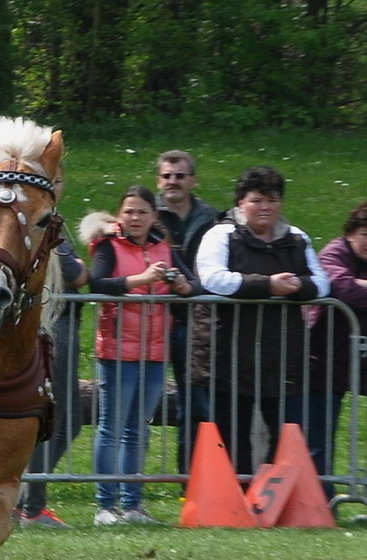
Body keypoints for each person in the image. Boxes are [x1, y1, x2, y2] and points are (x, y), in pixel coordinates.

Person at [195, 166, 329, 477]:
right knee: (232, 439)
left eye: (272, 200)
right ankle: (237, 498)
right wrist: (268, 285)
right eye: (256, 200)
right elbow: (212, 278)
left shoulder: (297, 238)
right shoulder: (220, 234)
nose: (265, 207)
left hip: (281, 359)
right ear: (240, 203)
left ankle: (272, 497)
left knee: (289, 438)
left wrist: (297, 287)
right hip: (227, 358)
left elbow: (322, 283)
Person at [84, 187, 194, 525]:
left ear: (153, 216)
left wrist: (181, 285)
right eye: (129, 211)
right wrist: (140, 279)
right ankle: (105, 506)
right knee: (111, 428)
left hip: (155, 352)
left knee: (138, 430)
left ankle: (132, 506)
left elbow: (194, 284)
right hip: (117, 351)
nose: (135, 218)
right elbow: (97, 284)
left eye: (142, 211)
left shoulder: (164, 247)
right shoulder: (108, 245)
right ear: (119, 215)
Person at [154, 150, 221, 472]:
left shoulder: (212, 218)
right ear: (158, 180)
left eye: (180, 176)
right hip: (150, 319)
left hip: (196, 321)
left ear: (193, 180)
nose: (173, 181)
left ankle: (192, 478)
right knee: (135, 403)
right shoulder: (144, 213)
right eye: (166, 176)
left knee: (195, 402)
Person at [16, 235, 87, 527]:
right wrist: (79, 264)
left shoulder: (51, 229)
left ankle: (21, 500)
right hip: (52, 324)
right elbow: (78, 275)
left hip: (63, 323)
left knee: (71, 422)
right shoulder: (43, 230)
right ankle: (31, 508)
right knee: (51, 420)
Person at [304, 201, 367, 498]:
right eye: (365, 234)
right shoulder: (334, 252)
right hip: (325, 359)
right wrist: (357, 285)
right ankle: (320, 500)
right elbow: (343, 288)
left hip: (358, 356)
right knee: (319, 435)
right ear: (351, 233)